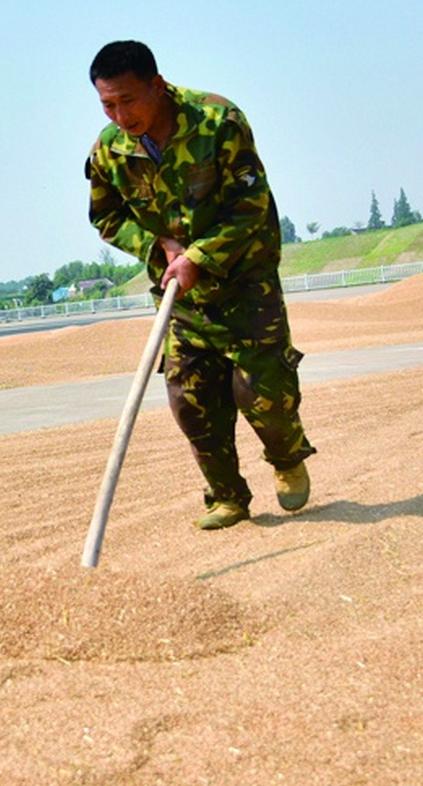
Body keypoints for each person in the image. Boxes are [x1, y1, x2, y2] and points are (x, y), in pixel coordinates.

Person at [84, 39, 315, 529]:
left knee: (262, 394)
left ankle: (286, 457)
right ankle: (227, 496)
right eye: (108, 104)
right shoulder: (110, 150)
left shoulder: (218, 122)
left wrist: (200, 256)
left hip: (242, 279)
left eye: (129, 100)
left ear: (158, 86)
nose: (121, 116)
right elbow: (106, 216)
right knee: (191, 401)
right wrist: (159, 244)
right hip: (181, 295)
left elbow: (248, 205)